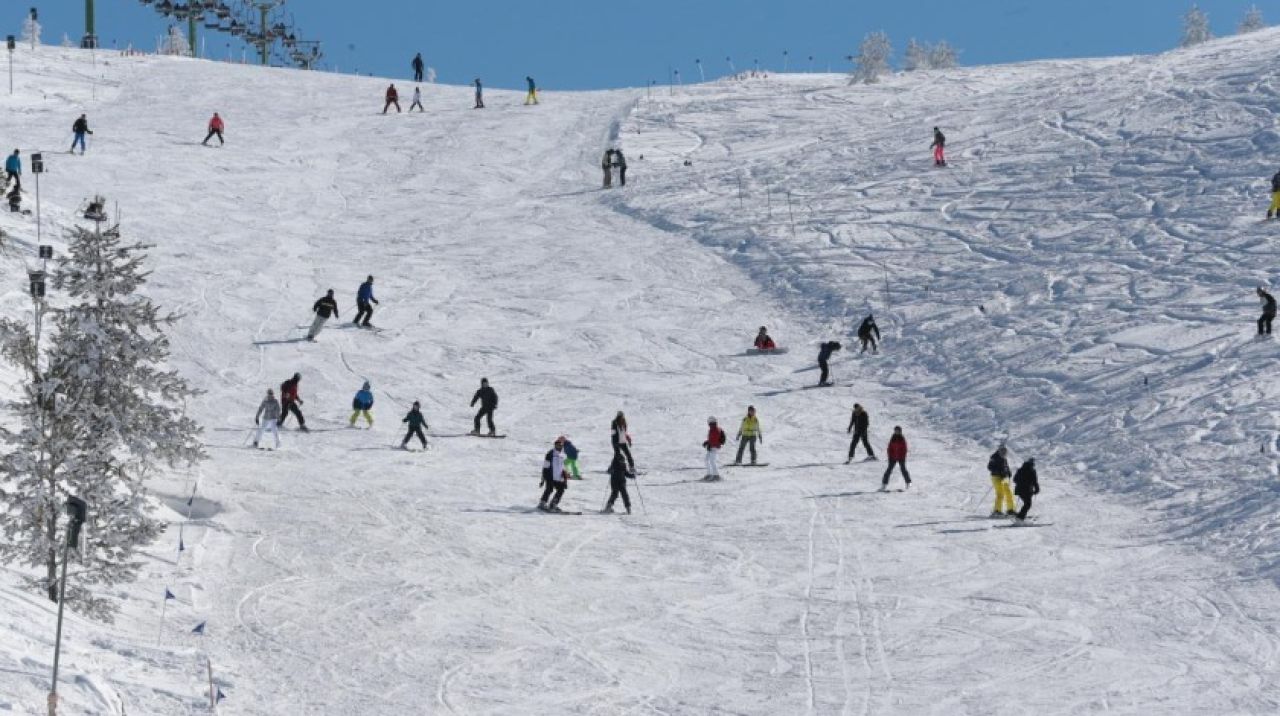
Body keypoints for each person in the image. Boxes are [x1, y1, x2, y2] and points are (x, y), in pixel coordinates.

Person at [539, 436, 570, 511]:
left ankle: (553, 504)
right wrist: (543, 479)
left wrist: (565, 478)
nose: (559, 447)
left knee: (561, 490)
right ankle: (542, 503)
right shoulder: (550, 454)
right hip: (550, 476)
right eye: (557, 445)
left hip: (559, 477)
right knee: (549, 489)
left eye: (560, 445)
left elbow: (563, 467)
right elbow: (545, 466)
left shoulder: (563, 455)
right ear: (555, 445)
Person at [987, 445, 1016, 516]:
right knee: (1000, 493)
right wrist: (999, 472)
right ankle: (997, 510)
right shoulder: (994, 457)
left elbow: (1006, 467)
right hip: (996, 477)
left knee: (1009, 493)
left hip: (1004, 477)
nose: (1004, 452)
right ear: (999, 450)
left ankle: (1010, 510)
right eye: (1002, 450)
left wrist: (1008, 472)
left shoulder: (1004, 458)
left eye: (1005, 451)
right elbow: (990, 467)